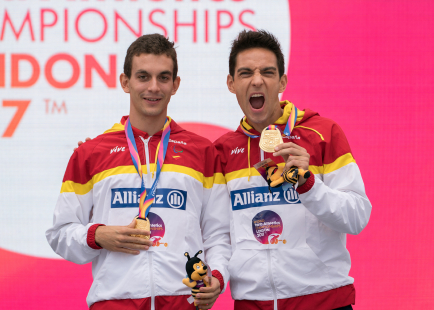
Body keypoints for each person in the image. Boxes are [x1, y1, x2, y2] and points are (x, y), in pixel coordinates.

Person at [46, 34, 231, 310]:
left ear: (175, 84)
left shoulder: (201, 151)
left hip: (184, 302)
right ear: (125, 82)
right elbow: (59, 234)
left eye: (163, 78)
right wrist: (97, 236)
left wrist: (216, 276)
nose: (153, 87)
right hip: (114, 303)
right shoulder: (90, 153)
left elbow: (218, 234)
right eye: (143, 76)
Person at [213, 30, 372, 310]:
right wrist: (216, 278)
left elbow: (357, 215)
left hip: (324, 301)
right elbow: (220, 236)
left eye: (268, 72)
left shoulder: (322, 133)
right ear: (231, 83)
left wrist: (309, 185)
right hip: (253, 304)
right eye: (246, 72)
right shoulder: (222, 151)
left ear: (282, 81)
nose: (257, 80)